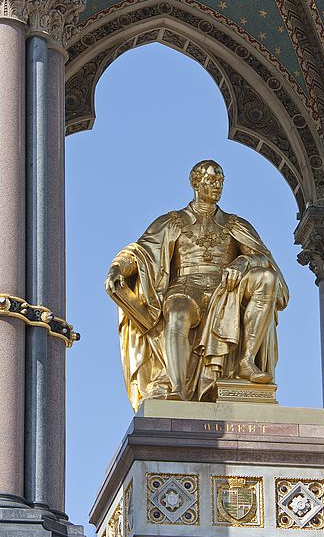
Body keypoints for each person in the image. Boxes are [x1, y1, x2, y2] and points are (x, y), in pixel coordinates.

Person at [105, 160, 289, 410]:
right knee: (177, 312)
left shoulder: (236, 224)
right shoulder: (172, 221)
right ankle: (178, 387)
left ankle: (246, 361)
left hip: (225, 292)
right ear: (195, 183)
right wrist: (118, 268)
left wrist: (244, 261)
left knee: (267, 279)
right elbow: (140, 253)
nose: (217, 186)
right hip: (185, 287)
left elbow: (264, 258)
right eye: (211, 180)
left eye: (220, 181)